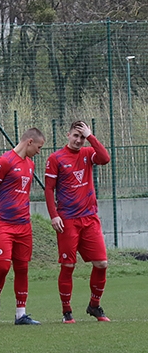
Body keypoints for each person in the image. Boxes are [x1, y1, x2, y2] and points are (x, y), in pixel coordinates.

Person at [44, 121, 112, 322]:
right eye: (76, 135)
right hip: (68, 220)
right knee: (68, 265)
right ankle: (67, 312)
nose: (78, 140)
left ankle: (94, 305)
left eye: (82, 137)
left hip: (90, 218)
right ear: (68, 134)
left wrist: (91, 137)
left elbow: (105, 158)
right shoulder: (55, 158)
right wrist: (54, 215)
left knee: (101, 263)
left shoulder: (88, 153)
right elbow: (49, 189)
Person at [0, 127, 46, 326]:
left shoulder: (30, 165)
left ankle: (21, 314)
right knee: (3, 265)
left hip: (23, 225)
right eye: (38, 147)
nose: (39, 151)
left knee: (22, 267)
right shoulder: (4, 161)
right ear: (29, 142)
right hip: (2, 223)